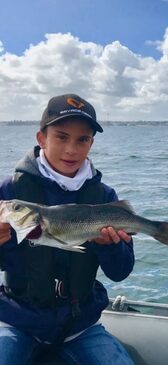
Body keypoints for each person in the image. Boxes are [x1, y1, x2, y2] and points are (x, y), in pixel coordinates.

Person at [0, 94, 135, 364]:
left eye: (82, 139)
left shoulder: (105, 196)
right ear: (42, 138)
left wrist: (111, 247)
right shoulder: (10, 194)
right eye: (61, 137)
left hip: (81, 326)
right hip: (17, 322)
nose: (71, 149)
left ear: (91, 143)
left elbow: (120, 272)